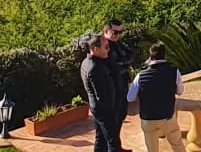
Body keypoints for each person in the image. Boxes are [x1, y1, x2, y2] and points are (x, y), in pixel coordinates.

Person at [128, 42, 187, 152]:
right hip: (167, 117)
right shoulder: (174, 71)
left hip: (148, 119)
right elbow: (180, 91)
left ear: (150, 56)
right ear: (165, 55)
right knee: (177, 144)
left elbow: (130, 98)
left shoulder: (141, 75)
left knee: (152, 149)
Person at [79, 33, 126, 152]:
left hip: (97, 108)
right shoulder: (95, 68)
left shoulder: (87, 62)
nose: (108, 50)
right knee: (113, 141)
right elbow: (102, 94)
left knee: (101, 138)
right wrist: (112, 110)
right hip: (104, 109)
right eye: (106, 47)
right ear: (95, 49)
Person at [102, 19, 137, 151]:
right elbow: (112, 67)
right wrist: (123, 65)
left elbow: (131, 54)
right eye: (115, 32)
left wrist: (123, 64)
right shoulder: (104, 46)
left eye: (120, 32)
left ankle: (117, 146)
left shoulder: (118, 44)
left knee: (120, 117)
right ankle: (113, 148)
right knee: (112, 122)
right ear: (106, 31)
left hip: (121, 88)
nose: (118, 35)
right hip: (112, 90)